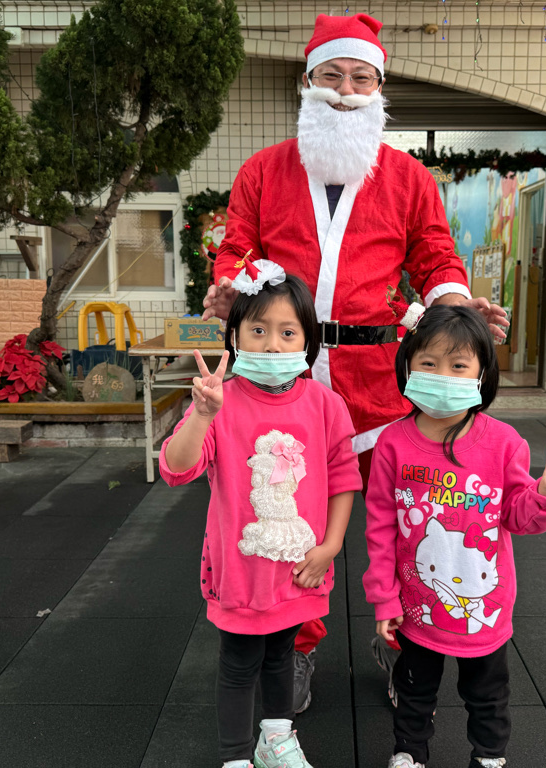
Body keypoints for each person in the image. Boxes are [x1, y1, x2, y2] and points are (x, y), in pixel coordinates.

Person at [203, 11, 509, 712]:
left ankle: (403, 639)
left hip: (375, 379)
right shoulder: (263, 170)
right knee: (288, 513)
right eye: (333, 75)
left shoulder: (407, 177)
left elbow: (435, 256)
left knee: (402, 518)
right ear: (307, 81)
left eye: (361, 77)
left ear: (378, 89)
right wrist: (231, 286)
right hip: (286, 376)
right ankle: (297, 646)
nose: (346, 90)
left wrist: (456, 308)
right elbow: (239, 247)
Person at [160, 258, 361, 768]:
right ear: (235, 336)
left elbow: (343, 478)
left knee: (281, 656)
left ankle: (276, 740)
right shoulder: (220, 402)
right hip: (241, 570)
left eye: (287, 332)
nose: (272, 345)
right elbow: (176, 469)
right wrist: (201, 415)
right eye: (258, 330)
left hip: (298, 565)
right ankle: (235, 757)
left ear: (308, 342)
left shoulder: (326, 405)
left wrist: (332, 545)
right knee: (238, 662)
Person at [363, 304, 546, 768]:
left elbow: (519, 517)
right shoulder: (393, 443)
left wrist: (545, 495)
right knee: (413, 691)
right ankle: (409, 753)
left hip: (485, 610)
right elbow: (380, 526)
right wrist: (384, 598)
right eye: (428, 363)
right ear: (407, 366)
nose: (442, 375)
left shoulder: (503, 443)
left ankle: (489, 757)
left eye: (458, 365)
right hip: (416, 608)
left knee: (487, 694)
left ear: (482, 373)